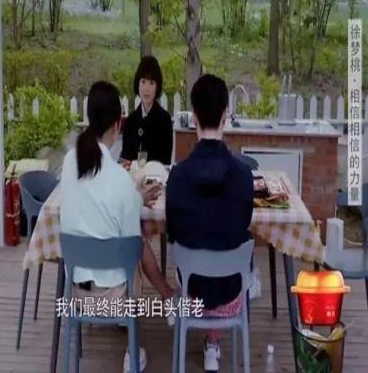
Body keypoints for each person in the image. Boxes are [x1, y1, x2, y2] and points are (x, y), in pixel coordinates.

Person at [60, 81, 173, 372]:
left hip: (75, 295)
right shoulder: (119, 179)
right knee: (137, 245)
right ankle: (135, 346)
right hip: (113, 300)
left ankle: (168, 297)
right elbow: (133, 244)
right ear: (117, 124)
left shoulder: (70, 162)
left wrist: (133, 199)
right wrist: (135, 202)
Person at [166, 74, 253, 372]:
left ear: (194, 117)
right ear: (225, 115)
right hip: (231, 296)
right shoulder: (244, 176)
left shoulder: (177, 177)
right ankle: (214, 343)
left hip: (191, 293)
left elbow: (173, 234)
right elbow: (242, 228)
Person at [120, 56, 173, 166]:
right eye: (143, 81)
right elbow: (126, 157)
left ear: (157, 86)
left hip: (156, 175)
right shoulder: (130, 121)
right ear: (138, 83)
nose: (146, 88)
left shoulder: (165, 120)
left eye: (151, 83)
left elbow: (166, 160)